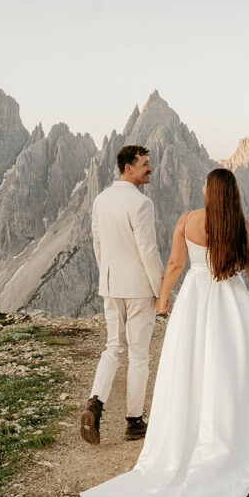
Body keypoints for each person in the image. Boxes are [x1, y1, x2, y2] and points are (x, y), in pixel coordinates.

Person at [80, 167, 249, 497]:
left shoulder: (187, 220)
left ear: (209, 191)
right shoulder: (242, 226)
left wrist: (163, 298)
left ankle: (186, 430)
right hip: (231, 302)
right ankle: (237, 424)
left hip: (194, 302)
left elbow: (174, 264)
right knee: (248, 362)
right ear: (232, 194)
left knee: (190, 366)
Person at [81, 145, 165, 445]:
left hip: (111, 285)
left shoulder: (101, 200)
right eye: (145, 164)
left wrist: (107, 277)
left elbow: (97, 243)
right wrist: (162, 290)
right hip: (140, 289)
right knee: (139, 355)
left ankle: (95, 403)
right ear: (128, 168)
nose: (150, 168)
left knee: (113, 347)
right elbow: (148, 250)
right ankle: (133, 422)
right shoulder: (141, 203)